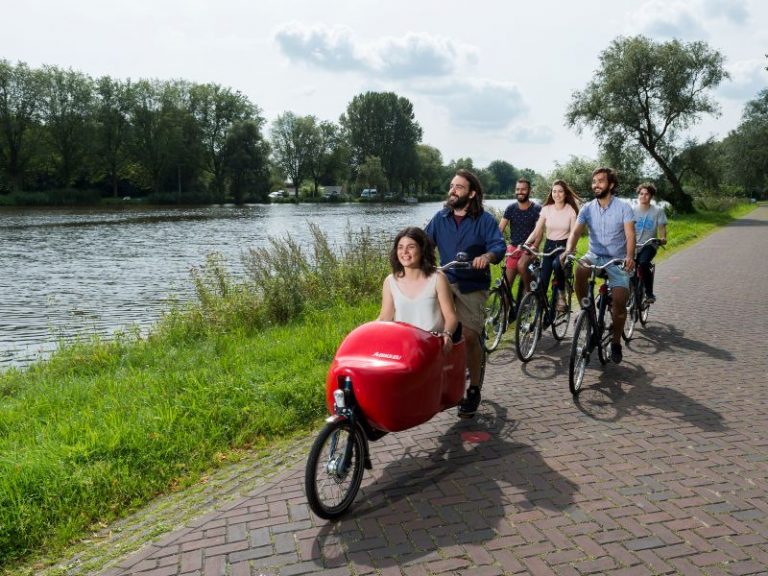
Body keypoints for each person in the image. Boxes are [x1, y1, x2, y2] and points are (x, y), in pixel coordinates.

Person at [425, 169, 506, 418]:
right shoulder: (440, 218)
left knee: (470, 335)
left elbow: (498, 245)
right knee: (429, 329)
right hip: (446, 280)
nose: (453, 190)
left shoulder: (484, 220)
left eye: (459, 187)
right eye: (451, 185)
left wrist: (486, 256)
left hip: (472, 284)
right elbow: (425, 243)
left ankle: (473, 389)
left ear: (471, 193)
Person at [562, 167, 635, 364]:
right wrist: (569, 249)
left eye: (600, 181)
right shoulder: (587, 208)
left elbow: (629, 234)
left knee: (619, 304)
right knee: (580, 268)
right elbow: (575, 233)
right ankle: (588, 310)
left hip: (617, 258)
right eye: (594, 181)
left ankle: (616, 342)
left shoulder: (624, 207)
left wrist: (629, 256)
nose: (596, 185)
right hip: (594, 255)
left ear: (611, 185)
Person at [378, 227, 458, 354]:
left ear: (422, 250)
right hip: (402, 347)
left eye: (411, 247)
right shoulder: (390, 281)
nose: (404, 252)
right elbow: (385, 318)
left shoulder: (438, 278)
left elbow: (451, 317)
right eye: (400, 247)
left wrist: (447, 334)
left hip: (431, 346)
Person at [524, 179, 581, 312]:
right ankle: (539, 316)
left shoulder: (570, 210)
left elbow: (574, 233)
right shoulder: (546, 209)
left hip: (564, 246)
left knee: (557, 264)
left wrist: (569, 250)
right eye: (554, 191)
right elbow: (537, 229)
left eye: (560, 191)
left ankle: (561, 294)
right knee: (542, 282)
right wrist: (527, 243)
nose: (557, 194)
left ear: (565, 194)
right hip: (549, 246)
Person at [498, 178, 541, 293]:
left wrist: (535, 247)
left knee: (522, 266)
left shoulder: (536, 209)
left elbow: (539, 232)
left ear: (529, 191)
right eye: (517, 189)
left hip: (528, 249)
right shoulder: (511, 208)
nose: (520, 192)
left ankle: (529, 295)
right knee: (506, 286)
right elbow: (500, 229)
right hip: (513, 249)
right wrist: (494, 244)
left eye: (523, 189)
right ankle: (505, 310)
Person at [633, 183, 668, 303]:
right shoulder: (632, 210)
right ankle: (630, 291)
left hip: (649, 245)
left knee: (643, 263)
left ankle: (649, 294)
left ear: (651, 196)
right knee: (627, 267)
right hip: (633, 245)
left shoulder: (657, 211)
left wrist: (662, 238)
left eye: (646, 194)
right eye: (641, 194)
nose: (643, 196)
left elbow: (661, 227)